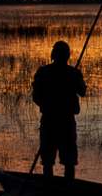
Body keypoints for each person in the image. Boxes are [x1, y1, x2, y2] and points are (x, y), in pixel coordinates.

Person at [32, 40, 87, 180]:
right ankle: (64, 189)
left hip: (55, 121)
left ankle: (51, 189)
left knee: (52, 162)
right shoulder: (71, 73)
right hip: (60, 121)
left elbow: (36, 97)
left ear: (53, 55)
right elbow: (82, 91)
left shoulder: (46, 72)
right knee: (61, 162)